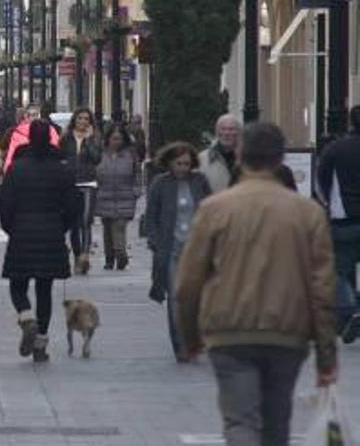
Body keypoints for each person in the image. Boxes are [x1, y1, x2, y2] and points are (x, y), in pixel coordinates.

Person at [176, 123, 338, 446]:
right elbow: (322, 289)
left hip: (228, 330)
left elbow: (188, 282)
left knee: (240, 422)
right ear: (281, 160)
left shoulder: (215, 209)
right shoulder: (307, 213)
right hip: (287, 332)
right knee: (277, 424)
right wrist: (326, 356)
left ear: (239, 155)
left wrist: (190, 336)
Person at [0, 120, 80, 362]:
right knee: (44, 290)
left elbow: (5, 205)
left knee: (17, 284)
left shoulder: (16, 168)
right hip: (51, 232)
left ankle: (26, 317)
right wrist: (61, 227)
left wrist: (11, 229)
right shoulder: (62, 169)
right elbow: (73, 206)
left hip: (22, 231)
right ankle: (40, 344)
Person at [144, 142, 211, 362]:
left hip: (197, 249)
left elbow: (211, 209)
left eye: (187, 163)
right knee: (175, 297)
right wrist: (154, 239)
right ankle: (180, 345)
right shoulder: (160, 184)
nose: (183, 167)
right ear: (169, 163)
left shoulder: (199, 181)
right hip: (170, 248)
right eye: (179, 163)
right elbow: (151, 215)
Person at [318, 105, 360, 343]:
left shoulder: (336, 148)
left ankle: (351, 308)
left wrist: (328, 206)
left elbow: (321, 179)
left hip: (343, 219)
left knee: (338, 271)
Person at [60, 108, 102, 275]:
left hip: (88, 183)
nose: (83, 121)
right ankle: (77, 255)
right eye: (80, 118)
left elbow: (96, 159)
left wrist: (89, 140)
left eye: (86, 119)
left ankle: (85, 255)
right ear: (74, 120)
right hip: (70, 185)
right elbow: (60, 157)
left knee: (86, 221)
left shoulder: (94, 139)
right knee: (74, 225)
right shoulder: (66, 138)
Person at [95, 125, 141, 270]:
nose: (117, 142)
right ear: (108, 139)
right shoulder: (100, 153)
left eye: (120, 139)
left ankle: (121, 255)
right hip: (104, 195)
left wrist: (136, 191)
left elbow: (137, 173)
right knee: (107, 230)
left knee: (119, 228)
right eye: (114, 138)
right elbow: (92, 171)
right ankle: (109, 259)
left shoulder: (130, 154)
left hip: (125, 196)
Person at [3, 109, 59, 173]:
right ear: (39, 116)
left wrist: (8, 172)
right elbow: (56, 150)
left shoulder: (18, 133)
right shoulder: (50, 130)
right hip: (48, 171)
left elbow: (11, 155)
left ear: (26, 117)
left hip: (24, 172)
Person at [199, 114, 241, 194]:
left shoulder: (249, 158)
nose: (227, 133)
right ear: (217, 132)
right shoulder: (202, 159)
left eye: (231, 129)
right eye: (223, 129)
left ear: (239, 132)